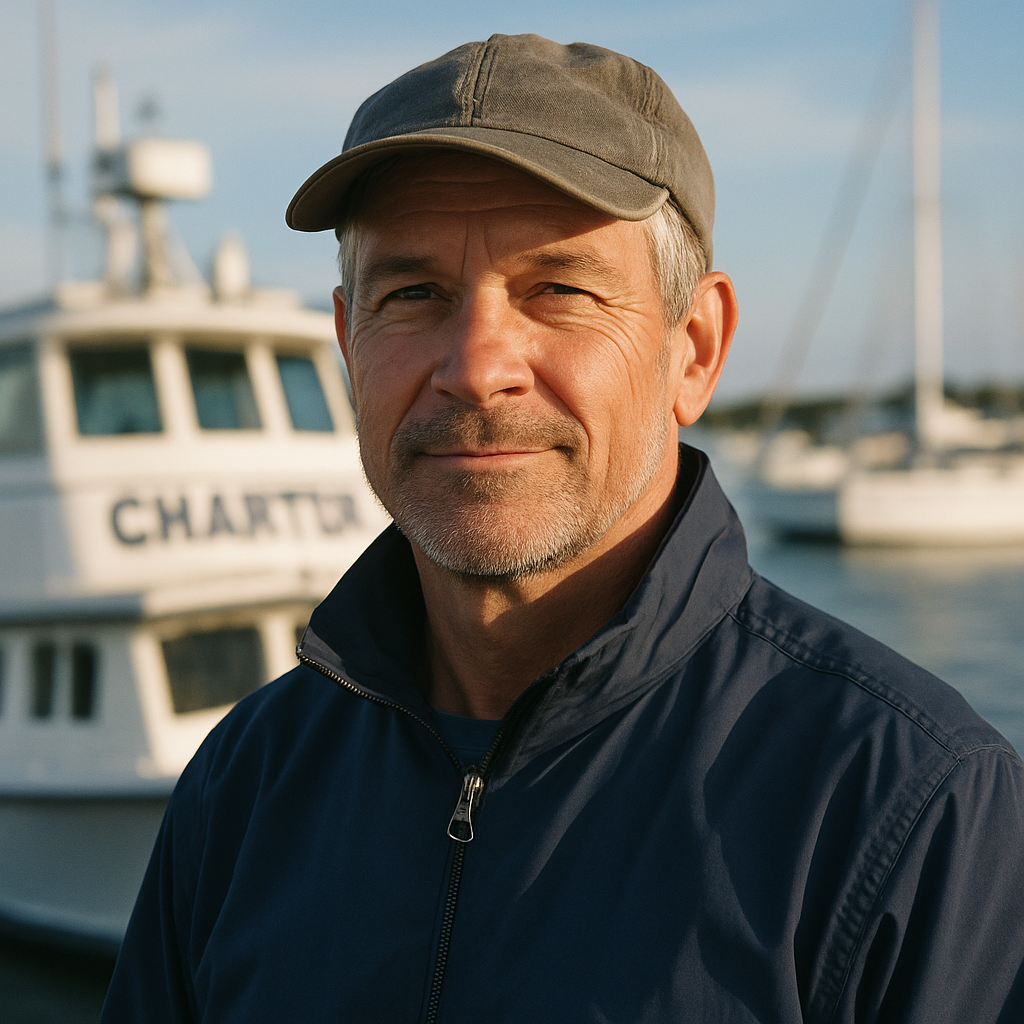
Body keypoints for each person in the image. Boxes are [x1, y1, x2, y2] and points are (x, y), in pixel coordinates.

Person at [101, 34, 1024, 1024]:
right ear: (346, 343)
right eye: (412, 294)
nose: (476, 364)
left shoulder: (908, 808)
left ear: (695, 351)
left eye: (560, 291)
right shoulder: (244, 786)